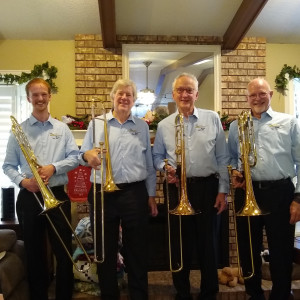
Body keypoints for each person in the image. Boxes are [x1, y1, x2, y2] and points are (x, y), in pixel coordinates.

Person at [79, 78, 158, 300]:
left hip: (134, 191)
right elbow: (82, 155)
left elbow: (150, 165)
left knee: (137, 250)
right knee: (105, 250)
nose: (124, 98)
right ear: (112, 97)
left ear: (134, 100)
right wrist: (89, 156)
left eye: (129, 95)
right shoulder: (96, 123)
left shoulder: (142, 126)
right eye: (120, 94)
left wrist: (151, 195)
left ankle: (139, 295)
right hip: (103, 192)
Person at [152, 73, 229, 300]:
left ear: (196, 94)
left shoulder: (212, 118)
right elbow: (157, 157)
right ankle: (182, 292)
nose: (185, 94)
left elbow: (223, 158)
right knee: (179, 243)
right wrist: (166, 167)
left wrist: (222, 191)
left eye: (189, 90)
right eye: (180, 90)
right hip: (177, 189)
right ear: (174, 94)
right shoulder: (165, 124)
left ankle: (209, 292)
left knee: (209, 244)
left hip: (208, 188)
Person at [2, 78, 79, 300]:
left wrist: (53, 168)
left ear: (50, 96)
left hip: (57, 195)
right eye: (35, 95)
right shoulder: (19, 131)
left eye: (44, 94)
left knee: (64, 252)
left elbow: (75, 158)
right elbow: (7, 166)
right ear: (29, 98)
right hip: (29, 196)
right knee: (34, 254)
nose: (40, 98)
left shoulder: (62, 129)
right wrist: (24, 182)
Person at [227, 78, 300, 300]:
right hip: (247, 192)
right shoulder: (235, 125)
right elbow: (231, 158)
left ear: (271, 94)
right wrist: (235, 172)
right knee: (248, 248)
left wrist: (298, 198)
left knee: (281, 249)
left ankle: (281, 294)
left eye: (262, 94)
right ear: (247, 98)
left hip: (280, 192)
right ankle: (254, 294)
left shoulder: (289, 122)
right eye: (252, 95)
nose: (257, 98)